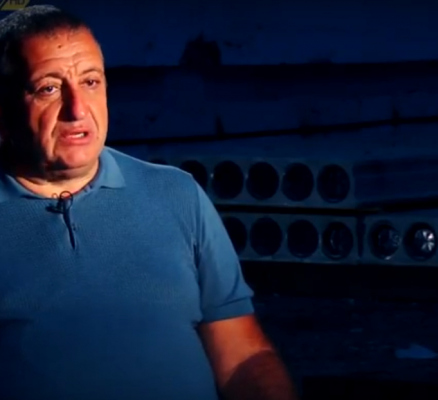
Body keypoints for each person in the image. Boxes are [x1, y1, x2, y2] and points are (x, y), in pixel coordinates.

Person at [0, 5, 298, 400]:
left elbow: (242, 355)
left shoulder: (177, 195)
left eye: (91, 82)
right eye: (48, 89)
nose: (77, 109)